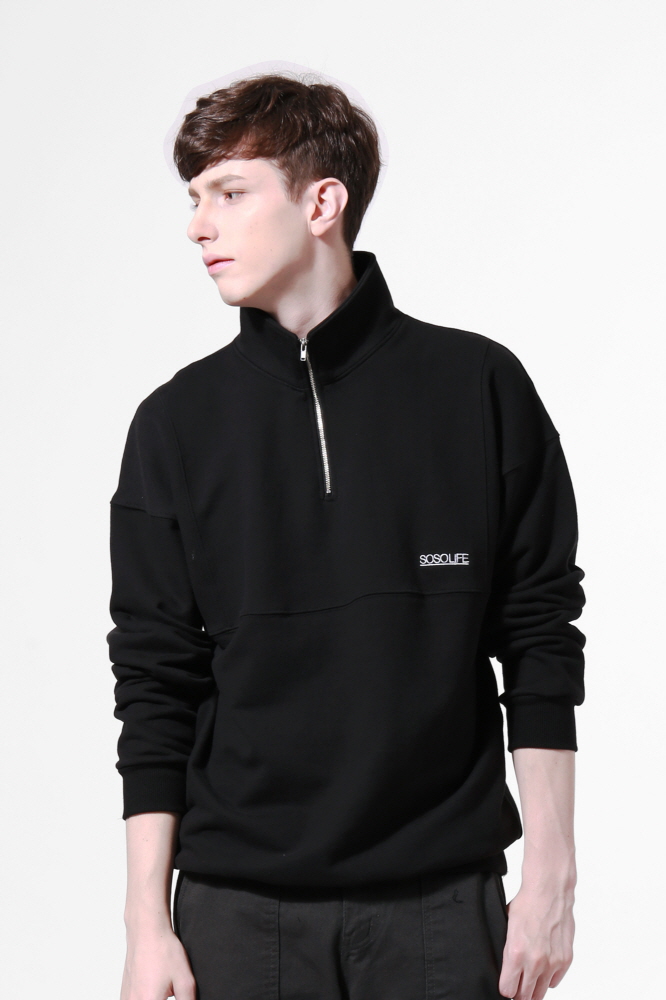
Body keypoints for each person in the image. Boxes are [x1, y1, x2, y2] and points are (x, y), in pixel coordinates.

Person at [107, 72, 586, 1000]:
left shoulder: (479, 387)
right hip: (235, 917)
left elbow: (539, 637)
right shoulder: (175, 425)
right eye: (194, 198)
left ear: (322, 203)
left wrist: (552, 878)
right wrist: (144, 926)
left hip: (444, 908)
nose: (198, 225)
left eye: (229, 193)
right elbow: (154, 679)